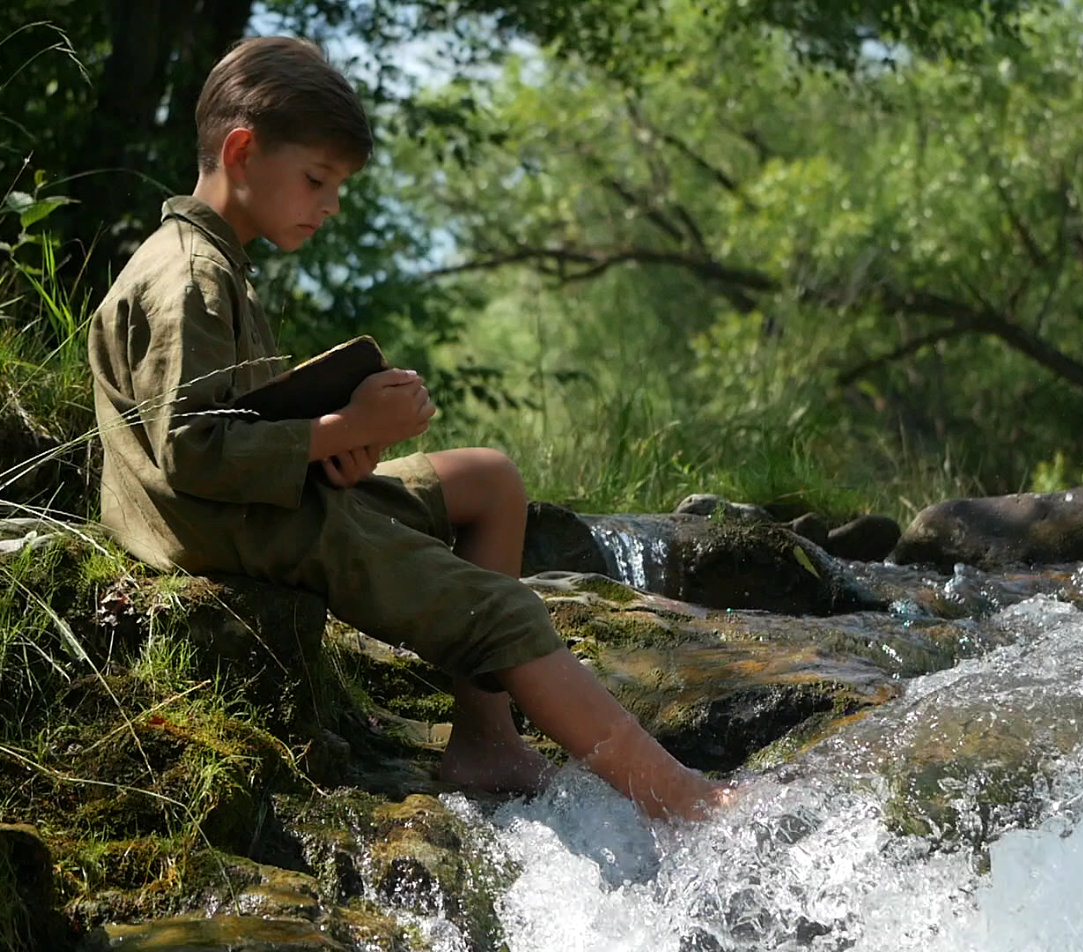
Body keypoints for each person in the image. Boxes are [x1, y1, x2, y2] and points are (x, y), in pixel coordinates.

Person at [86, 35, 723, 821]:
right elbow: (192, 454)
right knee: (509, 612)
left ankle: (486, 740)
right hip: (224, 525)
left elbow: (235, 424)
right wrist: (342, 425)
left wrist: (338, 454)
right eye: (317, 179)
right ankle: (688, 804)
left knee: (488, 479)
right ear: (242, 151)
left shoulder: (218, 263)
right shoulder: (189, 276)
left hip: (254, 499)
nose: (332, 204)